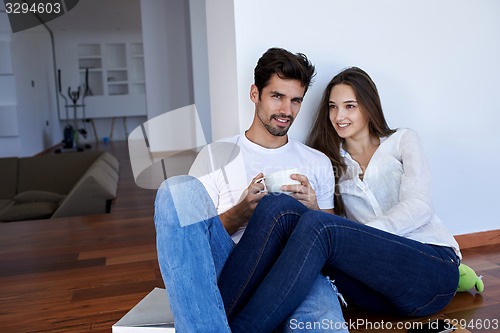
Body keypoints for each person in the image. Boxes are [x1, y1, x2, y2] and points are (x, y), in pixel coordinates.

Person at [217, 67, 462, 332]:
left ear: (369, 107)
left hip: (432, 269)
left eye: (349, 106)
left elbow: (420, 206)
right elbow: (337, 234)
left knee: (319, 227)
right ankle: (214, 318)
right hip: (377, 292)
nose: (339, 116)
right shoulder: (330, 162)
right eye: (333, 107)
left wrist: (361, 236)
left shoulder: (401, 141)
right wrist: (314, 209)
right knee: (277, 205)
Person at [154, 48, 348, 333]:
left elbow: (334, 246)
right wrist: (240, 213)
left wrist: (314, 211)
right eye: (277, 96)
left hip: (296, 268)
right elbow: (193, 241)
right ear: (255, 94)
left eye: (296, 100)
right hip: (231, 266)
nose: (286, 110)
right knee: (175, 190)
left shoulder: (316, 162)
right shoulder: (216, 155)